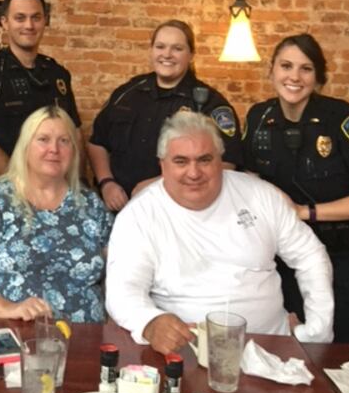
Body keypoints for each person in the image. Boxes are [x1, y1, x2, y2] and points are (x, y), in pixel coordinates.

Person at [105, 112, 334, 354]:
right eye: (181, 161)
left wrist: (317, 331)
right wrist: (149, 322)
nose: (194, 173)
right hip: (184, 353)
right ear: (162, 164)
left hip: (269, 348)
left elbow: (310, 255)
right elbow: (123, 291)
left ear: (220, 160)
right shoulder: (138, 215)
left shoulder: (260, 195)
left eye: (204, 160)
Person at [243, 33, 349, 342]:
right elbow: (249, 180)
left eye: (305, 69)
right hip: (285, 257)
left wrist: (304, 212)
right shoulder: (259, 117)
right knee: (286, 347)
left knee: (337, 352)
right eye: (286, 66)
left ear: (318, 77)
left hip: (346, 257)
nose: (294, 76)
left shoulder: (344, 120)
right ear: (272, 71)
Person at [0, 105, 113, 322]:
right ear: (25, 146)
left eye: (64, 141)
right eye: (43, 139)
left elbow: (120, 270)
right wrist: (8, 309)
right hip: (3, 333)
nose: (54, 149)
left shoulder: (91, 206)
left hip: (81, 339)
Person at [88, 20, 243, 212]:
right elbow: (97, 142)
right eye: (160, 46)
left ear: (191, 55)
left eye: (177, 48)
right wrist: (107, 182)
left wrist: (158, 185)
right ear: (151, 50)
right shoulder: (126, 93)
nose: (167, 54)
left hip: (176, 212)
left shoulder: (209, 103)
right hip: (119, 209)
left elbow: (227, 163)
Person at [0, 0, 82, 188]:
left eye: (36, 17)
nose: (29, 25)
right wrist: (27, 187)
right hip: (5, 190)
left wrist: (71, 184)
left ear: (45, 21)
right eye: (20, 18)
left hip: (54, 190)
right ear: (5, 23)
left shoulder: (57, 75)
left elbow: (74, 135)